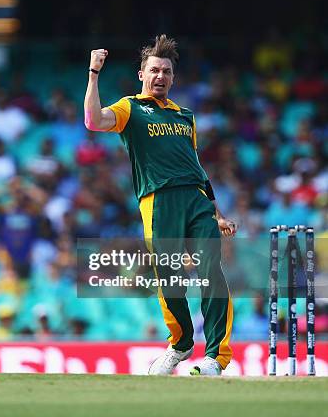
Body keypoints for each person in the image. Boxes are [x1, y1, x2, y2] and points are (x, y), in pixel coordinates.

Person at [84, 35, 237, 376]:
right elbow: (93, 121)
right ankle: (181, 343)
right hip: (158, 200)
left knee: (211, 270)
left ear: (173, 77)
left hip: (196, 200)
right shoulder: (130, 108)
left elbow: (196, 166)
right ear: (142, 74)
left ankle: (216, 357)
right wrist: (94, 74)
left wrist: (217, 211)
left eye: (166, 71)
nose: (160, 76)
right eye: (154, 70)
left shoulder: (185, 117)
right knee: (170, 277)